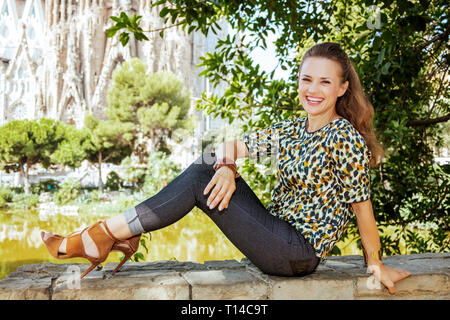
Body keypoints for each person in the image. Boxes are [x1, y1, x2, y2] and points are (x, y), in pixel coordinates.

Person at [41, 42, 411, 294]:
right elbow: (231, 144)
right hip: (276, 235)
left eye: (325, 81)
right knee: (210, 164)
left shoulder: (342, 136)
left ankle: (102, 236)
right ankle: (107, 236)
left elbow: (362, 208)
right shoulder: (293, 129)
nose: (313, 90)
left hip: (298, 252)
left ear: (342, 88)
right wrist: (228, 166)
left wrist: (375, 264)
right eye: (306, 79)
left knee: (203, 172)